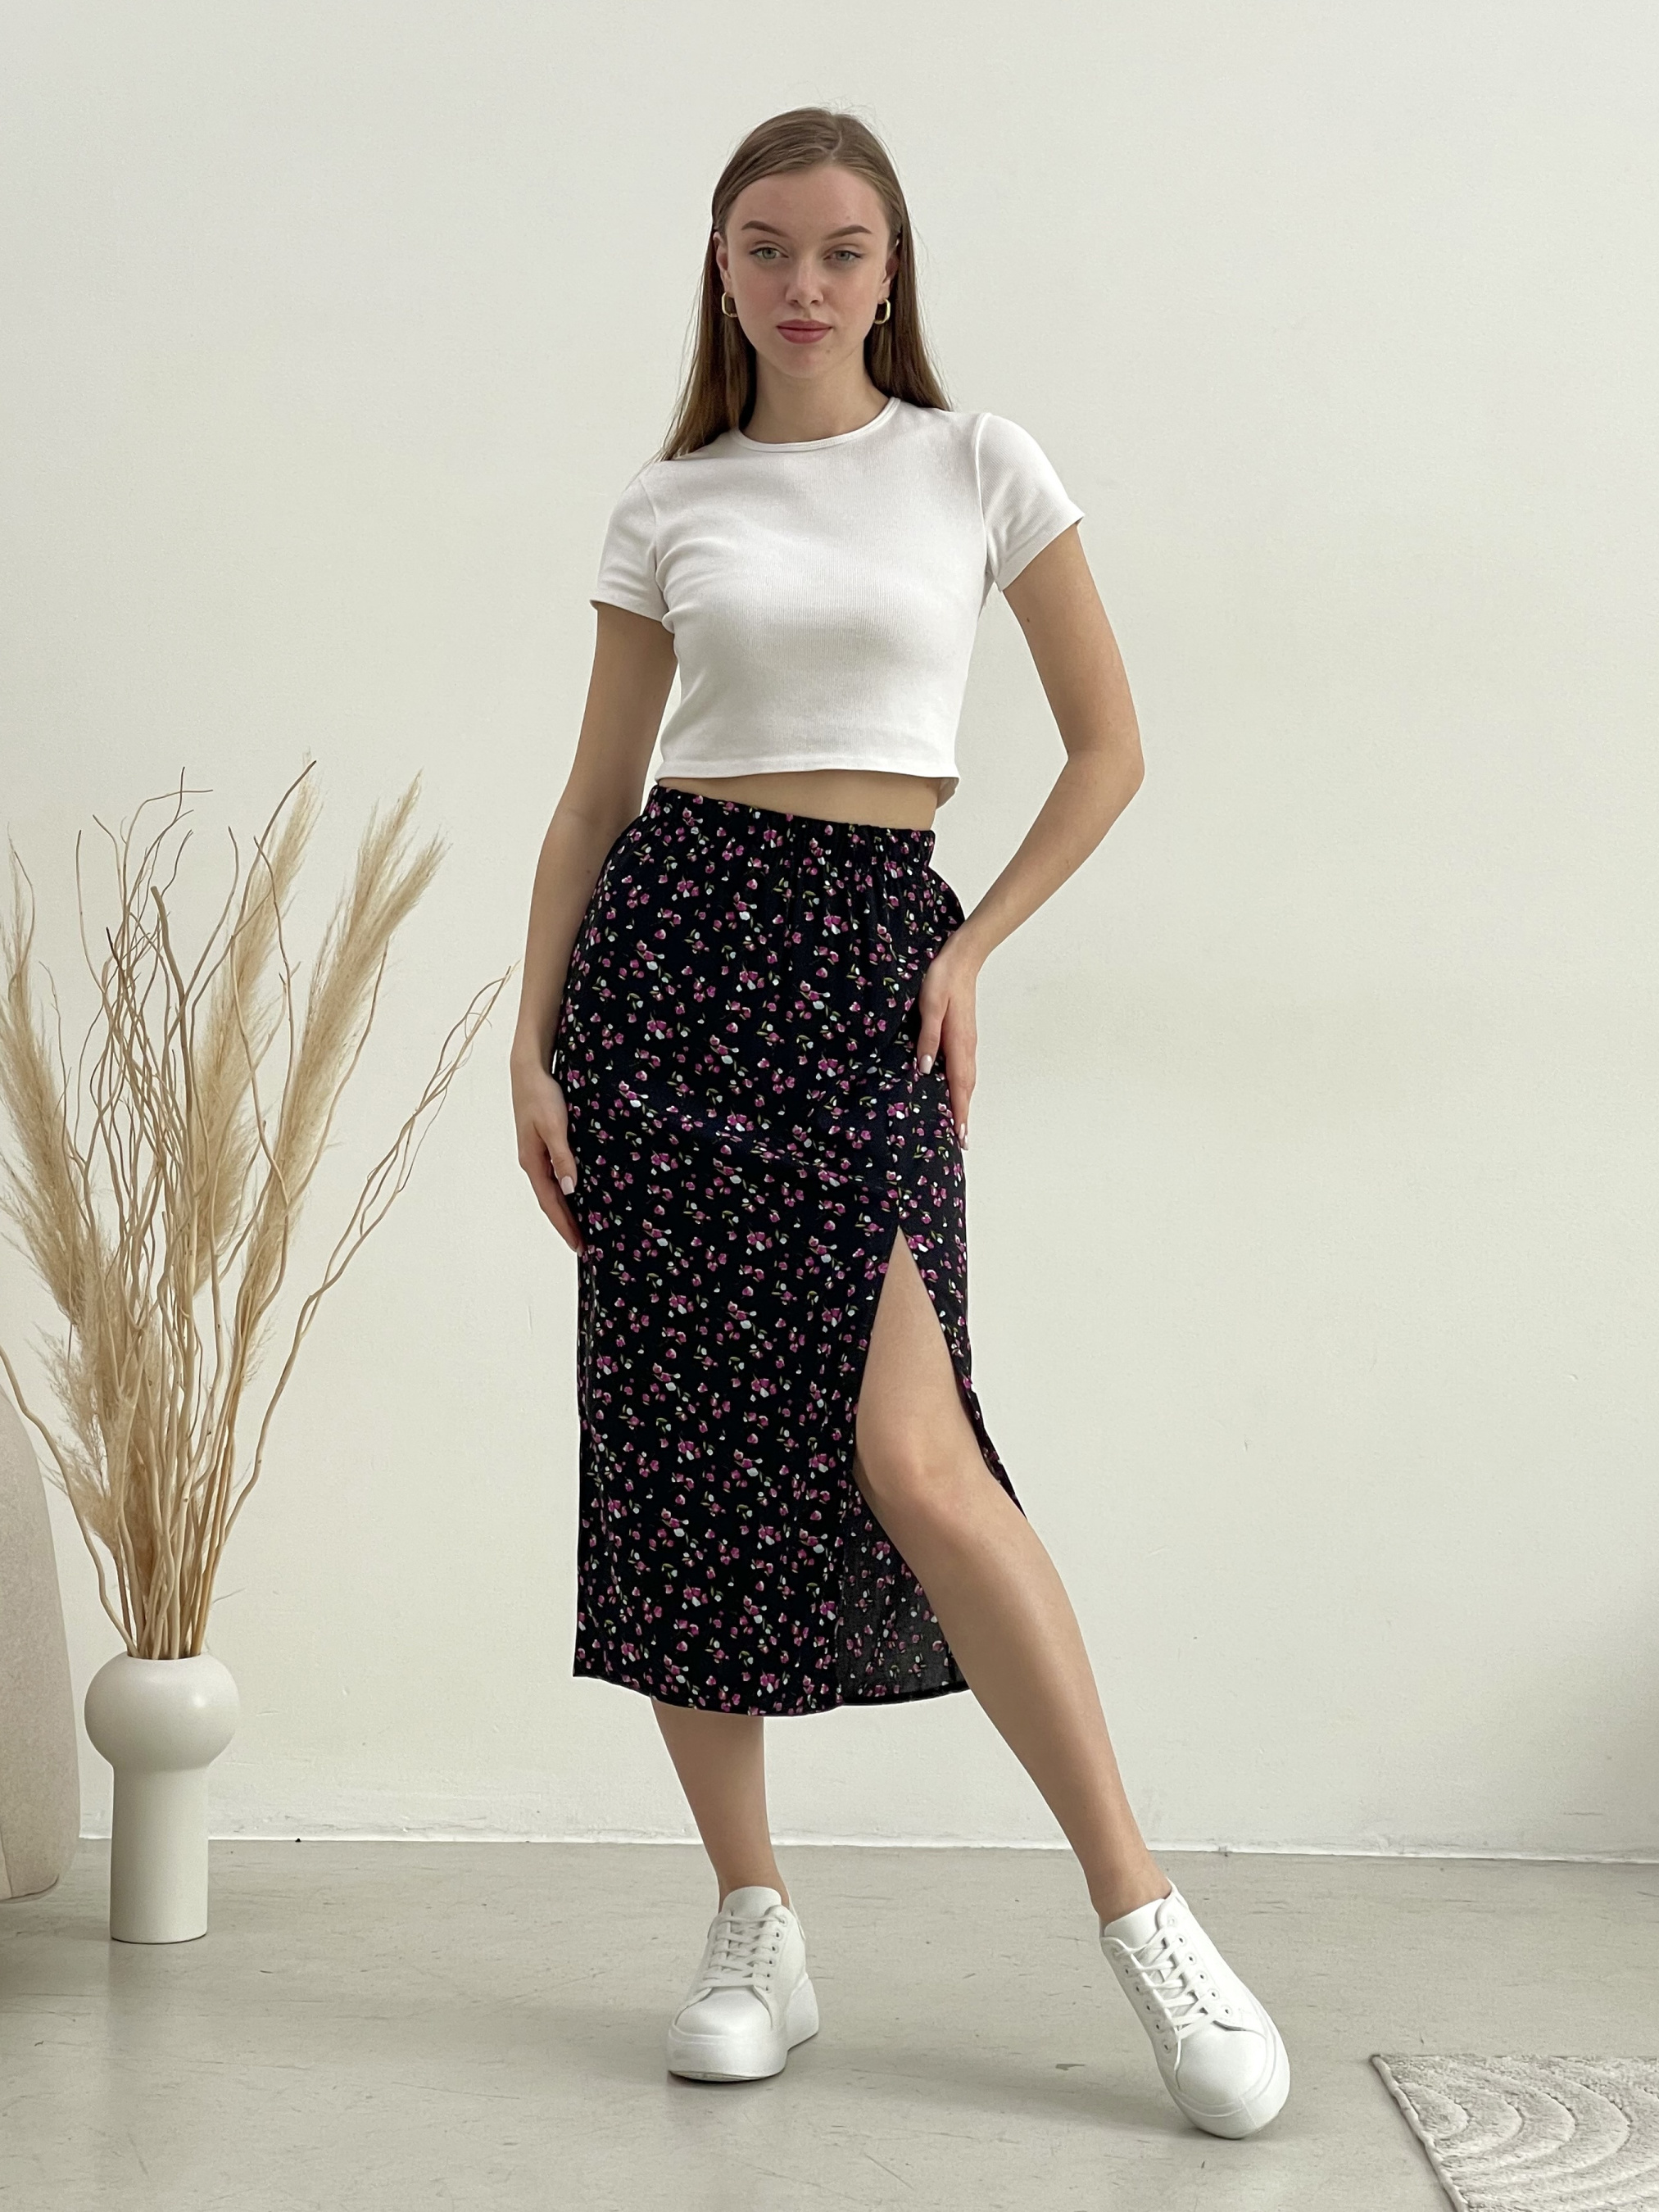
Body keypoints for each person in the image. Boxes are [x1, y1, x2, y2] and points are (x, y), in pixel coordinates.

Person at [510, 106, 1290, 2141]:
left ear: (888, 270)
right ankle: (751, 1920)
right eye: (765, 246)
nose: (801, 282)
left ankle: (1144, 1918)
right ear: (718, 264)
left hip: (868, 956)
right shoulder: (667, 501)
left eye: (838, 250)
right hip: (670, 968)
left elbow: (1108, 748)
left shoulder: (975, 463)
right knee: (684, 1451)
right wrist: (532, 1046)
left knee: (920, 1464)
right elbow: (593, 802)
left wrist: (972, 945)